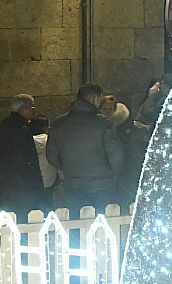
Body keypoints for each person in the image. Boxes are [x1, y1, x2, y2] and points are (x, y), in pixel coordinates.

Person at [46, 83, 125, 213]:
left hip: (72, 185)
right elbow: (117, 156)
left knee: (76, 222)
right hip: (102, 186)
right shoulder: (104, 124)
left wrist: (67, 168)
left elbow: (51, 156)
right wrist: (112, 173)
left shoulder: (59, 124)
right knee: (103, 222)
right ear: (95, 99)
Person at [0, 94, 45, 215]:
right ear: (23, 110)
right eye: (32, 107)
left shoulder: (4, 125)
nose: (35, 110)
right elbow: (23, 157)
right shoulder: (21, 129)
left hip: (8, 183)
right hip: (22, 184)